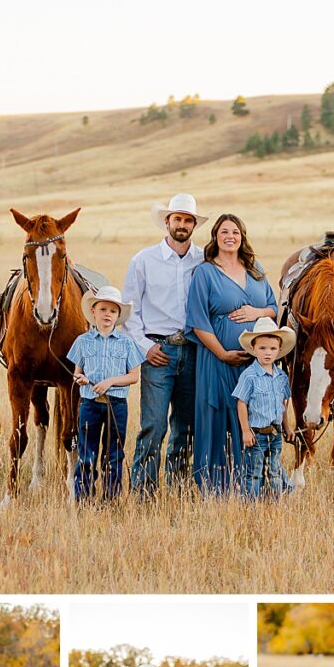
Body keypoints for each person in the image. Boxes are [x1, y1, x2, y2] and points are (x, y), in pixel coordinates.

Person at [184, 213, 277, 494]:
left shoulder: (255, 269)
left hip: (254, 363)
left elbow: (273, 307)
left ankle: (253, 484)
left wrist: (256, 312)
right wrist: (223, 353)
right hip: (217, 361)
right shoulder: (205, 272)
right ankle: (216, 486)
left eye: (235, 232)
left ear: (242, 237)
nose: (230, 237)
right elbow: (197, 320)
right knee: (219, 415)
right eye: (224, 232)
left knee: (254, 415)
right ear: (215, 237)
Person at [123, 194, 206, 498]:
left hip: (194, 351)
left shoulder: (203, 260)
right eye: (177, 219)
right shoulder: (143, 260)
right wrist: (145, 348)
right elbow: (130, 313)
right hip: (158, 351)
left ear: (194, 225)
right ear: (167, 222)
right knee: (154, 425)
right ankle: (144, 493)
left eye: (188, 220)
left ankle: (179, 488)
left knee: (186, 426)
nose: (182, 225)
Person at [66, 286, 145, 501]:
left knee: (114, 454)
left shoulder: (127, 343)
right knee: (86, 453)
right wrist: (80, 379)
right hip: (89, 404)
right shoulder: (83, 341)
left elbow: (134, 376)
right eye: (103, 309)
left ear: (118, 316)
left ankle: (111, 499)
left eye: (112, 311)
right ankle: (83, 499)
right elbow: (76, 373)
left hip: (116, 404)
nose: (107, 314)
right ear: (93, 312)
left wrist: (110, 381)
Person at [232, 317, 295, 499]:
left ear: (279, 351)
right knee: (254, 471)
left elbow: (283, 405)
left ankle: (275, 503)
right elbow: (241, 402)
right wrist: (246, 431)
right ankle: (251, 505)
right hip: (257, 434)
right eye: (262, 348)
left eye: (272, 349)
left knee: (275, 470)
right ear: (253, 349)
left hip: (275, 434)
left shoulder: (281, 376)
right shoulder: (249, 376)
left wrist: (288, 427)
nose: (268, 353)